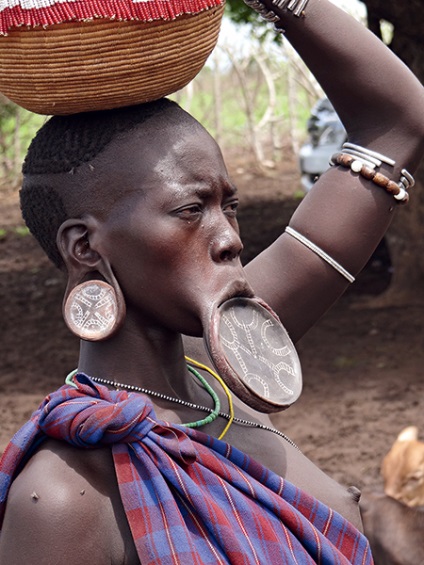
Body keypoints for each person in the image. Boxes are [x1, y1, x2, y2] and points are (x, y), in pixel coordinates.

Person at [0, 0, 423, 562]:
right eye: (190, 210)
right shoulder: (64, 494)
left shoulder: (226, 368)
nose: (230, 237)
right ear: (85, 247)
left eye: (231, 205)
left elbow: (398, 122)